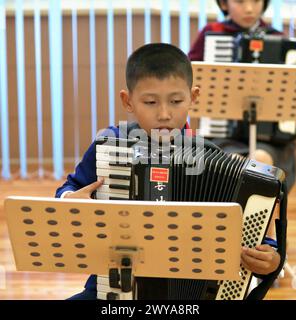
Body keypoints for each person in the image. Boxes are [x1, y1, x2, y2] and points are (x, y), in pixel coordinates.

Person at [56, 43, 281, 300]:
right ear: (127, 101)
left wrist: (270, 258)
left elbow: (255, 236)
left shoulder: (212, 159)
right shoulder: (110, 144)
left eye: (176, 101)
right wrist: (69, 201)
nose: (164, 114)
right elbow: (69, 189)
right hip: (116, 286)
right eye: (150, 102)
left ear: (193, 97)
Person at [189, 0, 296, 192]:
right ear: (224, 4)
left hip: (271, 141)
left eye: (256, 1)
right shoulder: (212, 33)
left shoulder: (278, 39)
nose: (249, 8)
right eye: (240, 1)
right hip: (223, 136)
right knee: (234, 167)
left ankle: (260, 220)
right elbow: (189, 77)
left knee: (261, 162)